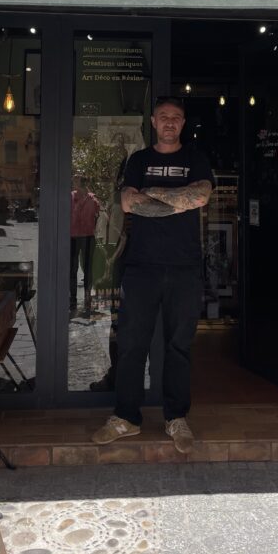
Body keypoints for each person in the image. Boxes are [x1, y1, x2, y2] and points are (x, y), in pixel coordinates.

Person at [92, 97, 214, 453]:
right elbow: (128, 202)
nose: (170, 122)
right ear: (153, 121)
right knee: (131, 343)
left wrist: (153, 196)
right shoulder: (139, 160)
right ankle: (125, 417)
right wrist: (178, 200)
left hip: (184, 266)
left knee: (178, 346)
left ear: (183, 123)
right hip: (141, 266)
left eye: (176, 117)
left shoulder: (196, 159)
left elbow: (201, 196)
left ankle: (176, 418)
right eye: (163, 117)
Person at [70, 176, 100, 314]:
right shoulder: (71, 197)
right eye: (75, 181)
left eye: (77, 181)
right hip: (74, 236)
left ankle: (86, 300)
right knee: (73, 268)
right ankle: (73, 300)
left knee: (87, 269)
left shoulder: (92, 199)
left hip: (87, 236)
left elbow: (98, 216)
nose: (75, 183)